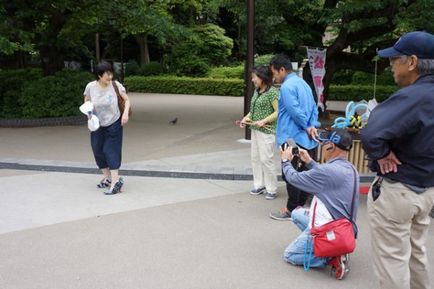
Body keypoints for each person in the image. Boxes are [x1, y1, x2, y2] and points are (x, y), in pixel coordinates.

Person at [361, 31, 434, 289]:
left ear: (412, 62)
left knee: (393, 262)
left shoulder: (413, 96)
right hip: (427, 189)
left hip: (399, 190)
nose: (391, 65)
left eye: (395, 59)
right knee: (417, 255)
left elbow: (370, 133)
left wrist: (381, 153)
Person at [281, 128, 359, 280]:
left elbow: (294, 178)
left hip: (330, 230)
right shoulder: (349, 168)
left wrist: (285, 161)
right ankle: (331, 247)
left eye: (324, 143)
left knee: (289, 255)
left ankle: (331, 256)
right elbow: (327, 174)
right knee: (296, 213)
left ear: (331, 146)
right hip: (345, 228)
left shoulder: (327, 171)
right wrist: (309, 162)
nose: (322, 146)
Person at [268, 54, 320, 220]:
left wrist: (306, 126)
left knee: (290, 173)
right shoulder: (303, 83)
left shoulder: (287, 87)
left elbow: (294, 111)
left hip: (292, 137)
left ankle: (292, 209)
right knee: (304, 172)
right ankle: (301, 205)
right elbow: (313, 107)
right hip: (307, 137)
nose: (274, 77)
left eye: (274, 73)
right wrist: (311, 125)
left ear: (282, 69)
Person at [83, 61, 131, 195]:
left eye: (111, 73)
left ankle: (116, 182)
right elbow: (87, 101)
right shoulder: (91, 87)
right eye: (107, 75)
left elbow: (126, 100)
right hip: (97, 124)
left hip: (114, 122)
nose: (110, 77)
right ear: (99, 75)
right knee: (97, 150)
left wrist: (125, 113)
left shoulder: (116, 85)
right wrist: (89, 115)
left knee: (111, 150)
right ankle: (108, 177)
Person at [240, 66, 279, 199]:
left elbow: (278, 112)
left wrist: (264, 121)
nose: (252, 80)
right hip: (255, 130)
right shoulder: (257, 91)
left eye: (254, 77)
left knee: (266, 159)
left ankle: (272, 188)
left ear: (262, 77)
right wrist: (246, 118)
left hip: (267, 132)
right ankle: (259, 185)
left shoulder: (273, 92)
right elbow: (253, 111)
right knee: (255, 159)